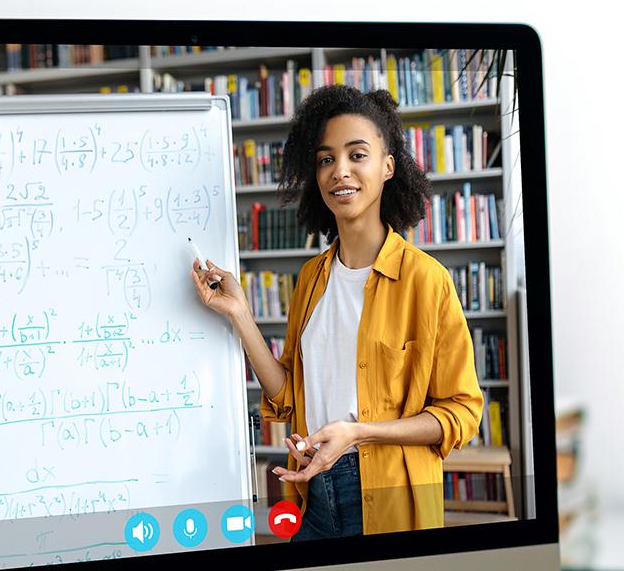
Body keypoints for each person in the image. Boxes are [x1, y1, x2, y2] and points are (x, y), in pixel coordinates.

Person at [192, 85, 483, 539]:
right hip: (312, 494)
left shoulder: (427, 281)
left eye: (357, 155)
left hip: (386, 497)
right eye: (326, 159)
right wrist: (240, 314)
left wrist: (359, 433)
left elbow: (461, 413)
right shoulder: (311, 278)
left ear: (388, 166)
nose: (339, 171)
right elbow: (288, 395)